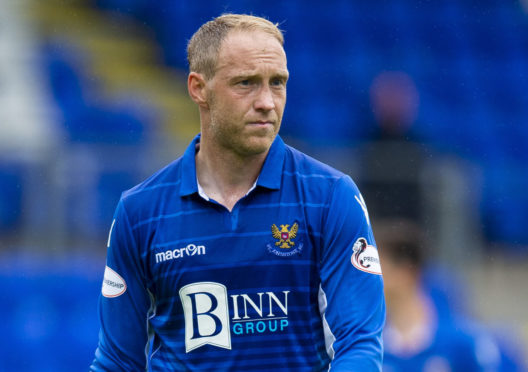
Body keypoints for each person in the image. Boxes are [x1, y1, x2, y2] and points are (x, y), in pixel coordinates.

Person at [90, 14, 385, 371]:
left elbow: (360, 345)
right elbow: (117, 361)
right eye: (246, 83)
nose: (267, 102)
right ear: (199, 88)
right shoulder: (140, 211)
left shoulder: (330, 196)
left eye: (277, 82)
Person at [376, 218, 521, 372]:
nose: (365, 278)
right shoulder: (374, 346)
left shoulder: (464, 343)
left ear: (405, 272)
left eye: (377, 269)